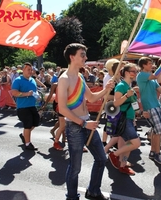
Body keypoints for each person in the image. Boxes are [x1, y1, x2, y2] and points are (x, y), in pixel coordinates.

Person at [58, 43, 113, 200]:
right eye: (82, 55)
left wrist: (106, 89)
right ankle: (72, 196)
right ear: (72, 57)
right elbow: (62, 109)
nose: (86, 58)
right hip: (75, 126)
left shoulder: (80, 77)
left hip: (87, 123)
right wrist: (83, 124)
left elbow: (91, 98)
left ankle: (93, 191)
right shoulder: (64, 79)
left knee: (102, 158)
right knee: (75, 167)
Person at [136, 57, 161, 165]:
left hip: (157, 105)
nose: (151, 65)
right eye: (149, 64)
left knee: (156, 131)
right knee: (158, 132)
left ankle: (153, 152)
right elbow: (156, 75)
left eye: (151, 63)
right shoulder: (142, 75)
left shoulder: (151, 80)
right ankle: (157, 153)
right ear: (143, 65)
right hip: (150, 107)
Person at [108, 64, 141, 175]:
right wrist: (126, 95)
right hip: (124, 118)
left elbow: (133, 103)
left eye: (136, 71)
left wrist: (137, 113)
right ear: (126, 72)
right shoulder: (121, 86)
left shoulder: (129, 86)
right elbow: (116, 103)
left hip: (129, 117)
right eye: (133, 71)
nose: (135, 73)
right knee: (136, 143)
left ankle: (122, 165)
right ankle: (114, 155)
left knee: (125, 144)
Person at [11, 62, 40, 151]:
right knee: (28, 124)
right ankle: (28, 144)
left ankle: (24, 135)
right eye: (28, 70)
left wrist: (37, 95)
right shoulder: (18, 80)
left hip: (32, 105)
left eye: (31, 70)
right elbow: (14, 92)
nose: (30, 71)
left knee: (36, 121)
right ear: (23, 70)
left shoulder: (32, 80)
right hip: (23, 107)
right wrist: (26, 94)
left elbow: (35, 91)